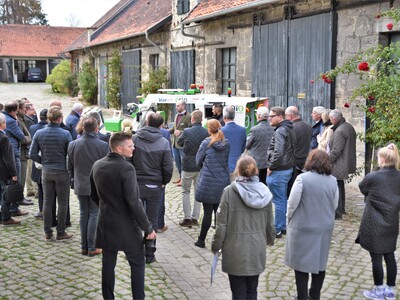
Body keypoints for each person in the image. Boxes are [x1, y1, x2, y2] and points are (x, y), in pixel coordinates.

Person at [90, 132, 156, 300]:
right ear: (119, 149)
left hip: (106, 222)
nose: (134, 147)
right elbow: (134, 201)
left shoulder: (97, 165)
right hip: (127, 226)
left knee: (108, 264)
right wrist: (148, 228)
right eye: (130, 145)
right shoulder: (127, 168)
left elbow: (93, 195)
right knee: (137, 264)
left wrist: (108, 208)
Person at [211, 156, 275, 299]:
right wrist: (270, 240)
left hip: (235, 250)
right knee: (252, 290)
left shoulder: (229, 192)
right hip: (256, 249)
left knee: (238, 291)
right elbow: (270, 223)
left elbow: (221, 225)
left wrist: (216, 246)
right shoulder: (264, 192)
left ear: (238, 171)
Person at [285, 149, 339, 300]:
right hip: (324, 229)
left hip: (303, 227)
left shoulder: (302, 179)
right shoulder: (333, 181)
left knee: (301, 265)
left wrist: (289, 220)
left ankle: (302, 296)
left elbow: (292, 204)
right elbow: (334, 205)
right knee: (320, 263)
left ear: (310, 161)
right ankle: (315, 295)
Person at [356, 143, 400, 300]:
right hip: (392, 221)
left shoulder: (373, 177)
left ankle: (379, 290)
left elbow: (362, 188)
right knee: (389, 255)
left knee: (376, 258)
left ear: (381, 159)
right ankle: (390, 291)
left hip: (374, 222)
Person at [130, 112, 173, 263]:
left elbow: (128, 160)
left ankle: (136, 250)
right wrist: (165, 181)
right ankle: (150, 252)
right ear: (161, 126)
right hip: (155, 185)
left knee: (136, 217)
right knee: (152, 218)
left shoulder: (135, 139)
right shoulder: (163, 142)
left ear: (146, 122)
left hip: (137, 183)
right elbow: (168, 167)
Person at [29, 106, 73, 241]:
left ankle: (47, 232)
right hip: (62, 171)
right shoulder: (65, 134)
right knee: (63, 202)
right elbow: (70, 154)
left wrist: (44, 161)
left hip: (46, 171)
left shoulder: (39, 133)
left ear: (49, 118)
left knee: (47, 202)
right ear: (60, 119)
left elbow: (32, 154)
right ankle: (61, 232)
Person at [68, 117, 109, 256]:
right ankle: (92, 247)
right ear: (97, 128)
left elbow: (70, 166)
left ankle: (84, 246)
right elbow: (106, 167)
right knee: (93, 214)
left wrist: (73, 179)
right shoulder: (103, 145)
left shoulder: (73, 144)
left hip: (80, 184)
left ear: (83, 128)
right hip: (96, 185)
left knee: (84, 213)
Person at [194, 119, 230, 248]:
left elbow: (198, 161)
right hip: (223, 181)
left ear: (209, 129)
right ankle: (221, 241)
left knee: (208, 212)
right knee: (219, 213)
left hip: (208, 181)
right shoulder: (226, 143)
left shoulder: (206, 143)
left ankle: (201, 240)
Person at [266, 106, 295, 238]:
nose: (269, 119)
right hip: (286, 168)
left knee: (278, 200)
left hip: (279, 169)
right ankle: (282, 227)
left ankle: (277, 228)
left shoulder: (281, 131)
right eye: (269, 116)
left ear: (280, 117)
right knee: (282, 199)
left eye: (272, 116)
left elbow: (278, 152)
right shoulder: (288, 128)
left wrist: (271, 167)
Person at [177, 110, 209, 228]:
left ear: (192, 119)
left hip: (187, 165)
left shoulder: (186, 131)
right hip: (200, 165)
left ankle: (187, 218)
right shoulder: (206, 132)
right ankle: (195, 218)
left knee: (185, 191)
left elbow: (179, 143)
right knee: (197, 192)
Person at [329, 109, 356, 219]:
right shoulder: (348, 126)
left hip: (339, 163)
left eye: (331, 118)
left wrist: (326, 160)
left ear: (334, 119)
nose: (330, 120)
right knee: (340, 185)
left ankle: (338, 211)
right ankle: (342, 209)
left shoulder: (340, 130)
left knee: (337, 187)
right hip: (345, 161)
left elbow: (336, 150)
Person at [3, 101, 29, 215]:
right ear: (14, 111)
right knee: (15, 181)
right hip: (14, 153)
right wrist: (29, 138)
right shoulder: (11, 121)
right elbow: (21, 136)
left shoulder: (4, 118)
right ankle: (13, 209)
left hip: (8, 153)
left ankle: (10, 209)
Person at [285, 106, 312, 194]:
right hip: (305, 160)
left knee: (293, 188)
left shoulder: (291, 128)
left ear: (290, 116)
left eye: (286, 116)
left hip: (293, 162)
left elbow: (287, 147)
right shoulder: (308, 126)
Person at [0, 112, 21, 225]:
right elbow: (9, 158)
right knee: (5, 196)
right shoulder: (4, 138)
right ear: (2, 124)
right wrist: (14, 173)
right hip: (3, 171)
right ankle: (6, 218)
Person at [245, 106, 274, 185]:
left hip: (256, 164)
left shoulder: (254, 130)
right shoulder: (273, 129)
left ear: (258, 116)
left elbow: (247, 145)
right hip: (269, 163)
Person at [29, 109, 48, 219]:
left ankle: (41, 210)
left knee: (40, 188)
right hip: (51, 164)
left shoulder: (33, 128)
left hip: (38, 162)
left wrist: (39, 160)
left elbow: (32, 152)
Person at [169, 100, 191, 186]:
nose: (176, 107)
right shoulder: (176, 115)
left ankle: (184, 180)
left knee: (183, 162)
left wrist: (181, 132)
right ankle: (181, 177)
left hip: (182, 144)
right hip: (175, 143)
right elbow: (174, 128)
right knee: (177, 162)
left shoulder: (189, 116)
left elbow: (190, 129)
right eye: (176, 106)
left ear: (183, 106)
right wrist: (167, 131)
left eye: (178, 106)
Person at [221, 105, 246, 181]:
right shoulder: (242, 130)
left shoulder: (220, 131)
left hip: (224, 166)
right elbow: (243, 148)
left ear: (224, 117)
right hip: (237, 166)